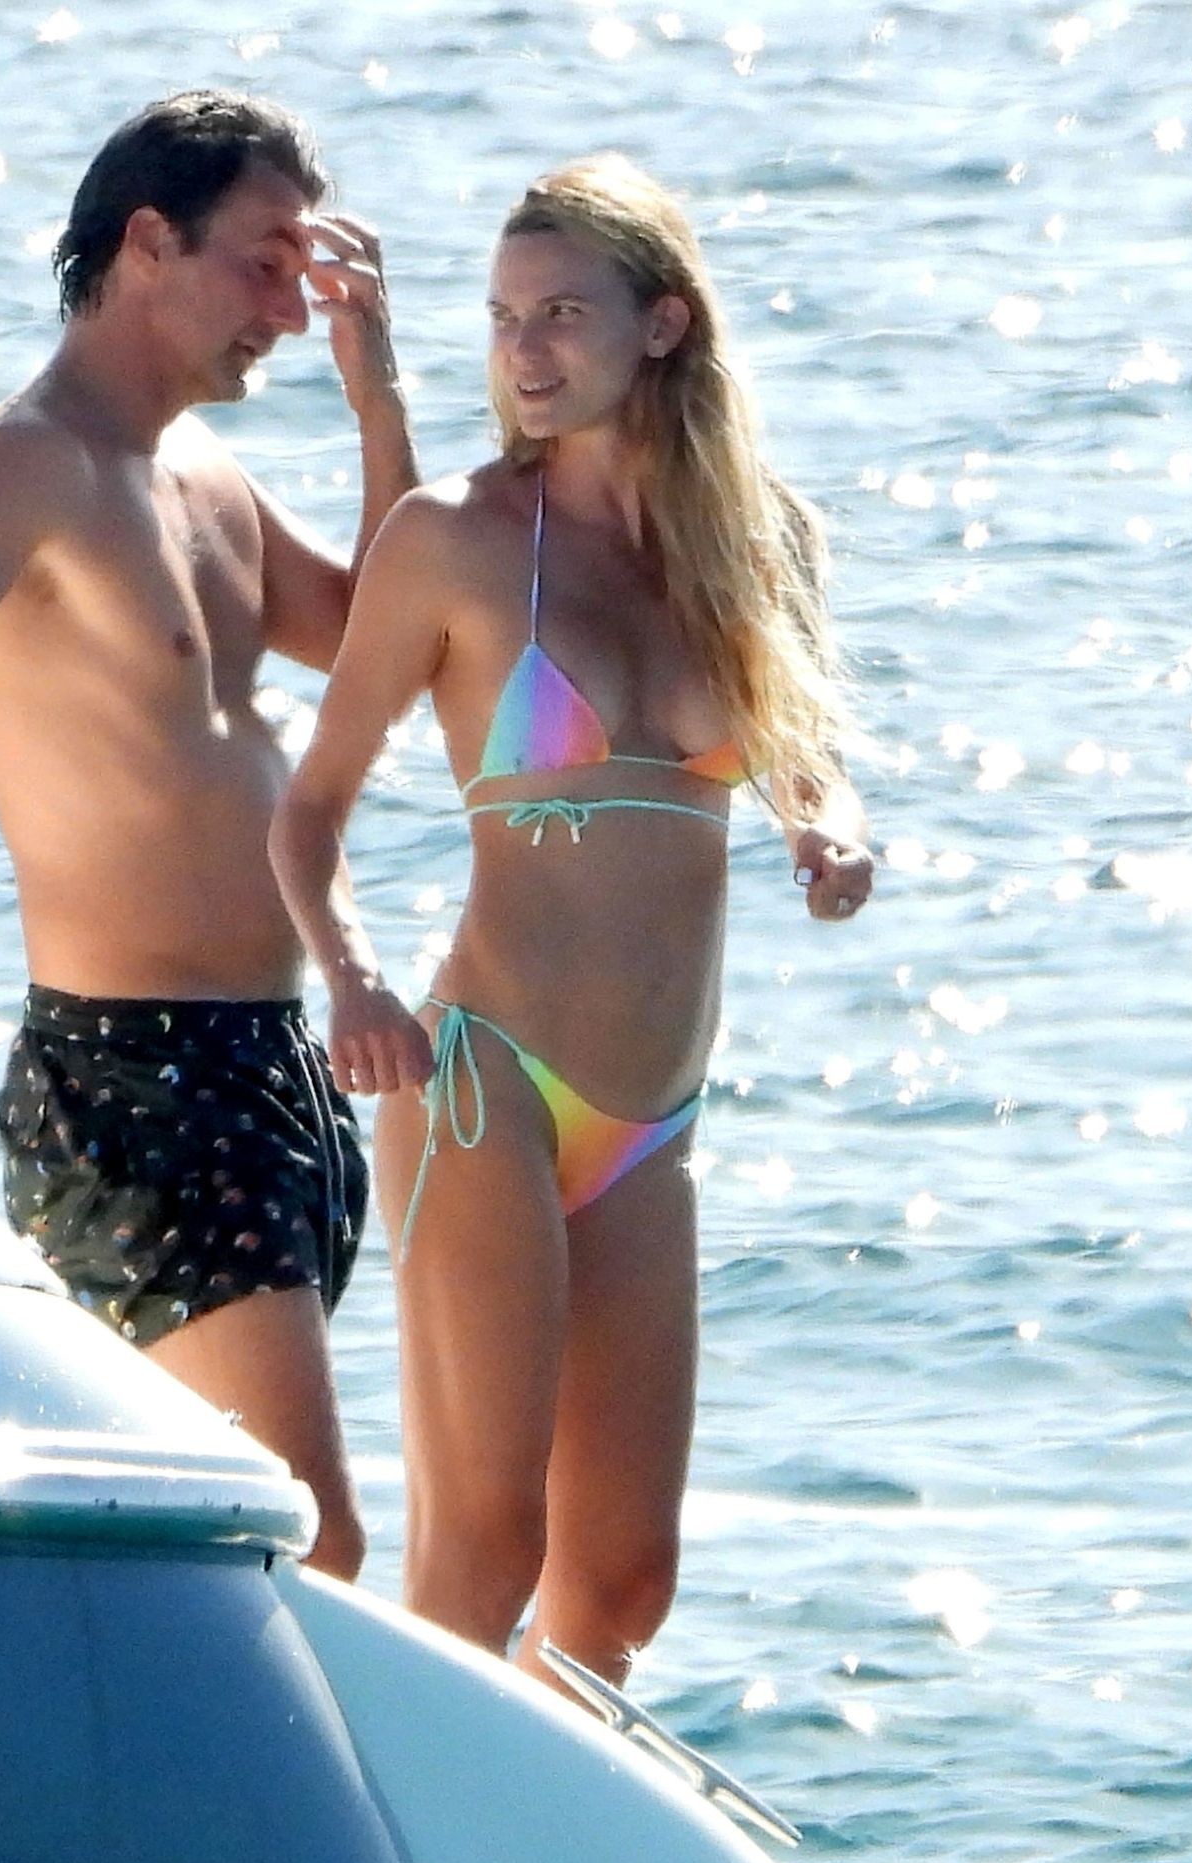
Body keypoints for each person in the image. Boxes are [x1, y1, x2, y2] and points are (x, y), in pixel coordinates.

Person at [269, 154, 872, 1681]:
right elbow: (309, 807)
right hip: (484, 1082)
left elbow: (807, 764)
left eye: (559, 314)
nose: (523, 350)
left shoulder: (763, 543)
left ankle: (522, 1817)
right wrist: (353, 980)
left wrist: (830, 834)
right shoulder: (457, 538)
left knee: (620, 1587)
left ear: (662, 324)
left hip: (651, 1118)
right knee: (483, 1554)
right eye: (501, 318)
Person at [0, 90, 420, 1580]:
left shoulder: (201, 471)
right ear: (150, 241)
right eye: (265, 265)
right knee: (310, 1537)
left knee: (208, 1547)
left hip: (268, 1064)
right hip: (134, 1074)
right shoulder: (31, 465)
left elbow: (387, 638)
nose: (290, 308)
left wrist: (380, 404)